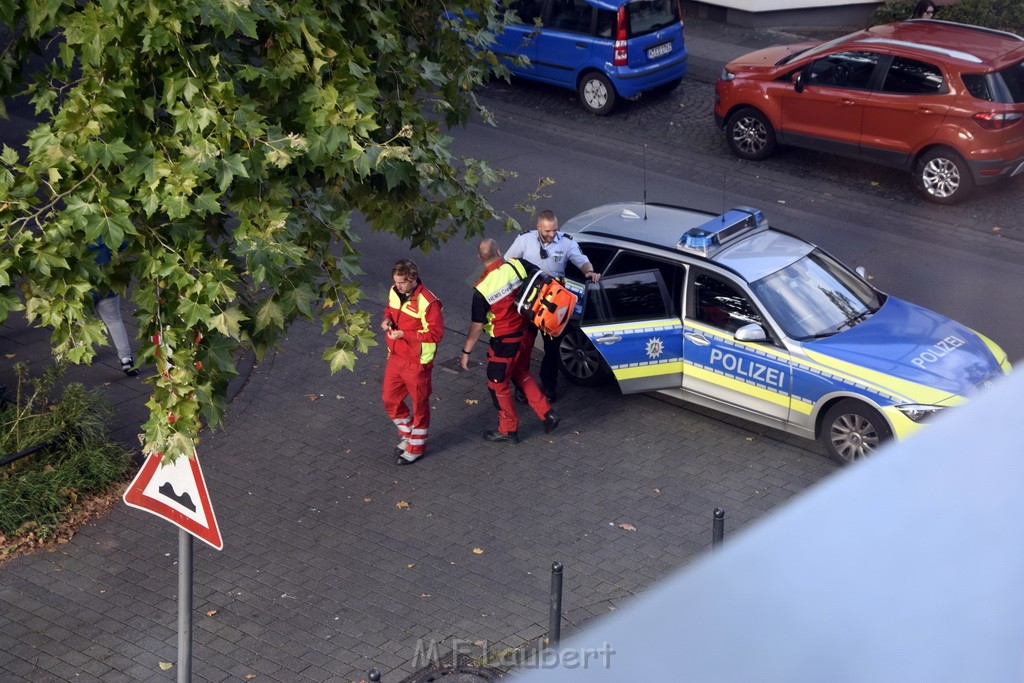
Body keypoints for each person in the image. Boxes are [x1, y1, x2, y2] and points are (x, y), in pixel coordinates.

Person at [461, 238, 559, 444]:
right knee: (521, 372)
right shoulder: (517, 264)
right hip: (528, 333)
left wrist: (466, 352)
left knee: (498, 385)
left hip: (505, 343)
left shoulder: (482, 289)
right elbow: (543, 278)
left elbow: (477, 325)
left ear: (480, 258)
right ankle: (547, 414)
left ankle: (508, 430)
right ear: (499, 251)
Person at [504, 209, 600, 403]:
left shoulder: (565, 242)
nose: (551, 234)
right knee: (524, 347)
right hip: (530, 302)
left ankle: (549, 386)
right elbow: (508, 265)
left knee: (552, 348)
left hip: (553, 304)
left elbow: (582, 261)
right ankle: (521, 386)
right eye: (547, 231)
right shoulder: (524, 241)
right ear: (538, 226)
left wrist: (589, 272)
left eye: (554, 230)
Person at [381, 259, 444, 465]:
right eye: (396, 282)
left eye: (402, 283)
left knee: (420, 405)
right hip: (396, 356)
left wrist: (404, 334)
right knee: (389, 399)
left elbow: (435, 334)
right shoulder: (394, 291)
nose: (397, 286)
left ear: (413, 280)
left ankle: (417, 446)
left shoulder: (428, 302)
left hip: (417, 362)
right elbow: (390, 310)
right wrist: (387, 320)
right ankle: (408, 433)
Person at [86, 239, 138, 376]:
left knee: (84, 323)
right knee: (114, 322)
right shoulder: (106, 233)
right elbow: (125, 244)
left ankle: (84, 352)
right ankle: (126, 359)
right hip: (108, 287)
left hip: (85, 291)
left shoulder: (74, 236)